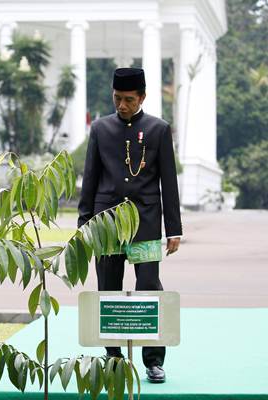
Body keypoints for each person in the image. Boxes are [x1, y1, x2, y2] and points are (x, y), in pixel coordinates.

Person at [77, 68, 182, 384]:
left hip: (147, 221)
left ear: (143, 98)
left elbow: (168, 181)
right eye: (117, 98)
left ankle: (154, 360)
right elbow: (91, 178)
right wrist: (84, 223)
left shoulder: (159, 129)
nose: (122, 105)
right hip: (106, 222)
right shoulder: (100, 128)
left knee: (149, 288)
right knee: (107, 288)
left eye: (129, 100)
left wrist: (173, 228)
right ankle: (113, 358)